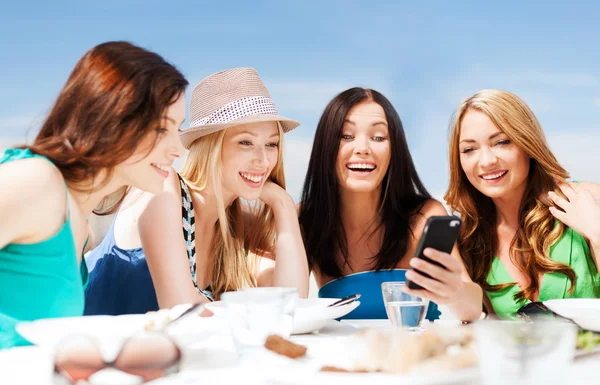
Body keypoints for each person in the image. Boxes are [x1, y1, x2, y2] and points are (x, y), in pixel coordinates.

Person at [0, 41, 188, 348]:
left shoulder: (79, 223)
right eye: (160, 129)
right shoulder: (36, 183)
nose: (178, 149)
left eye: (177, 130)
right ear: (112, 120)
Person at [84, 68, 309, 315]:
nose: (264, 160)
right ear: (210, 146)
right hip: (85, 348)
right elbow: (182, 309)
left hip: (151, 352)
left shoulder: (234, 225)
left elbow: (292, 303)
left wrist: (282, 204)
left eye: (271, 144)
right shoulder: (164, 189)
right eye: (245, 142)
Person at [298, 87, 483, 322]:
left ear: (394, 150)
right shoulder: (306, 219)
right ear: (325, 146)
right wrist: (281, 205)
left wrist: (455, 291)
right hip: (341, 357)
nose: (363, 148)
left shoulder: (424, 216)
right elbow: (286, 307)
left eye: (378, 137)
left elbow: (472, 310)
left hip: (419, 353)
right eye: (346, 136)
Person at [444, 89, 600, 319]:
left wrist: (596, 233)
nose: (486, 161)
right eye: (469, 149)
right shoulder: (471, 242)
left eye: (502, 142)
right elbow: (491, 332)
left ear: (528, 144)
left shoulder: (587, 199)